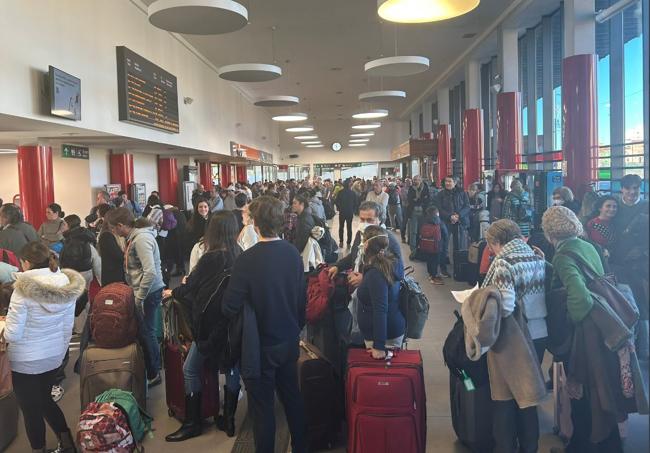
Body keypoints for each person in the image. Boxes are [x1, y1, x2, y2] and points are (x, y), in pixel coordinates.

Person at [542, 206, 635, 452]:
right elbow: (594, 278)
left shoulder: (562, 256)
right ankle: (606, 441)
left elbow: (580, 298)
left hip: (584, 336)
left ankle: (581, 444)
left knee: (581, 390)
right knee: (600, 387)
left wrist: (571, 323)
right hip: (605, 330)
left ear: (549, 232)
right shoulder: (587, 246)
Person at [222, 196, 307, 453]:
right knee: (292, 399)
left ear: (255, 224)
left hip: (259, 347)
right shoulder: (293, 253)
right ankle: (302, 447)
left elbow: (228, 306)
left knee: (263, 409)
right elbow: (301, 299)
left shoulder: (247, 260)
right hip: (288, 339)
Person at [164, 211, 242, 441]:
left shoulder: (210, 258)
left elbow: (190, 286)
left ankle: (192, 422)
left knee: (190, 369)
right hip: (232, 324)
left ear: (213, 231)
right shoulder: (240, 255)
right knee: (231, 368)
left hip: (208, 325)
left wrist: (172, 291)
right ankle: (228, 420)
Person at [3, 241, 85, 453]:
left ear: (26, 263)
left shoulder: (22, 291)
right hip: (53, 355)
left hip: (25, 360)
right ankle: (67, 443)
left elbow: (13, 333)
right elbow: (68, 327)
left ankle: (38, 450)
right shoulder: (66, 285)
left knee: (30, 409)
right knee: (45, 399)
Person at [478, 219, 547, 453]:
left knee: (505, 395)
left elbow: (505, 305)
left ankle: (505, 447)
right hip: (539, 332)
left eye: (491, 246)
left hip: (514, 336)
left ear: (497, 242)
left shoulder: (504, 262)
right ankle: (530, 447)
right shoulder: (536, 255)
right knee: (528, 396)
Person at [105, 207, 164, 387]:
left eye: (113, 228)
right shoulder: (135, 238)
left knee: (148, 333)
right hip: (144, 292)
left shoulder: (141, 240)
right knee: (147, 332)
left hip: (148, 293)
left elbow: (150, 272)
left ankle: (154, 371)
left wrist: (139, 298)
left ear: (121, 225)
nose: (113, 232)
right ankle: (153, 366)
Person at [610, 174, 649, 359]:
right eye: (629, 188)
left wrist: (642, 251)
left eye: (636, 188)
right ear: (622, 189)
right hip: (617, 265)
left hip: (641, 267)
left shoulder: (646, 207)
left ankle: (644, 349)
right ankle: (628, 348)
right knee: (623, 304)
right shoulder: (615, 208)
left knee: (642, 304)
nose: (632, 192)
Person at [328, 200, 404, 289]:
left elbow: (398, 271)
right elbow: (354, 255)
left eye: (369, 220)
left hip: (377, 292)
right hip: (359, 291)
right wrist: (338, 266)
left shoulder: (388, 240)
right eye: (362, 219)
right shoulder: (361, 234)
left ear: (379, 219)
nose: (365, 224)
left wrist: (365, 278)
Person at [357, 225, 406, 358]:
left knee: (384, 377)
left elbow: (380, 309)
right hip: (389, 330)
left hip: (385, 337)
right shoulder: (388, 262)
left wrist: (379, 346)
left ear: (366, 244)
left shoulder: (376, 274)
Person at [437, 175, 470, 276]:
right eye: (446, 181)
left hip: (459, 222)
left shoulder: (462, 193)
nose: (447, 183)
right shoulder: (441, 194)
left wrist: (458, 216)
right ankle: (443, 268)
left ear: (455, 183)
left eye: (450, 181)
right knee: (444, 245)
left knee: (458, 246)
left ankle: (458, 269)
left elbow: (467, 207)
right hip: (446, 222)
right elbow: (439, 208)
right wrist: (450, 216)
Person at [418, 206, 448, 285]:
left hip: (426, 245)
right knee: (435, 261)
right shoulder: (440, 222)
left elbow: (419, 233)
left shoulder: (424, 221)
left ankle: (430, 274)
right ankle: (434, 277)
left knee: (429, 260)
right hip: (436, 246)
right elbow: (445, 234)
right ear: (437, 213)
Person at [97, 206, 125, 285]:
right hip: (113, 277)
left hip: (116, 275)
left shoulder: (113, 234)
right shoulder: (107, 236)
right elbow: (118, 255)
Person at [406, 175, 431, 257]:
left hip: (423, 212)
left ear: (421, 180)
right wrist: (420, 199)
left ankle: (422, 248)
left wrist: (417, 200)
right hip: (413, 212)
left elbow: (427, 200)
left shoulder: (426, 188)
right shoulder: (411, 188)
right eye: (414, 180)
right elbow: (410, 200)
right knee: (413, 232)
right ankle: (413, 250)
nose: (415, 181)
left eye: (417, 180)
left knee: (422, 231)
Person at [335, 179, 357, 248]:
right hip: (349, 212)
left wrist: (339, 208)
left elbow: (336, 201)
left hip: (342, 212)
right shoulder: (353, 193)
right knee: (349, 228)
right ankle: (348, 243)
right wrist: (353, 210)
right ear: (349, 185)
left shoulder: (340, 192)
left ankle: (341, 242)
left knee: (341, 227)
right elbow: (356, 203)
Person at [399, 178, 412, 243]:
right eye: (408, 181)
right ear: (405, 182)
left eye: (410, 181)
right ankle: (403, 237)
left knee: (410, 223)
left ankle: (410, 239)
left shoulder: (413, 188)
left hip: (411, 208)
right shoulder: (403, 189)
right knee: (404, 222)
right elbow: (404, 198)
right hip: (405, 208)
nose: (410, 183)